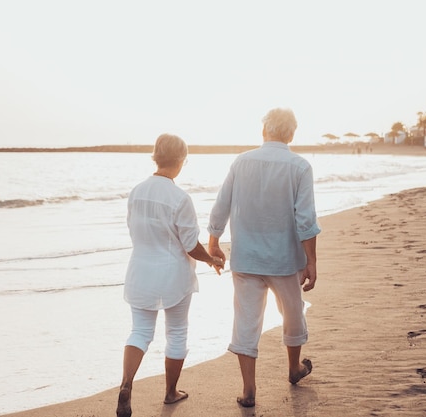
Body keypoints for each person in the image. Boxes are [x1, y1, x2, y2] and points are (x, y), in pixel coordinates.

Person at [207, 108, 321, 408]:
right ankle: (294, 368)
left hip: (246, 259)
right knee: (293, 314)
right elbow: (306, 219)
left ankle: (248, 390)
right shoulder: (300, 167)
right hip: (284, 260)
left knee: (245, 322)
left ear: (263, 132)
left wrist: (214, 241)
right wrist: (312, 261)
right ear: (292, 134)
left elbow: (221, 205)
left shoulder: (241, 162)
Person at [116, 133, 225, 417]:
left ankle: (126, 384)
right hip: (173, 275)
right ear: (181, 160)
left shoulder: (136, 191)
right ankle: (170, 392)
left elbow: (134, 230)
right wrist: (211, 259)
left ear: (156, 156)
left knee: (139, 332)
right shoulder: (180, 198)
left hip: (140, 271)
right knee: (176, 332)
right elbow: (190, 245)